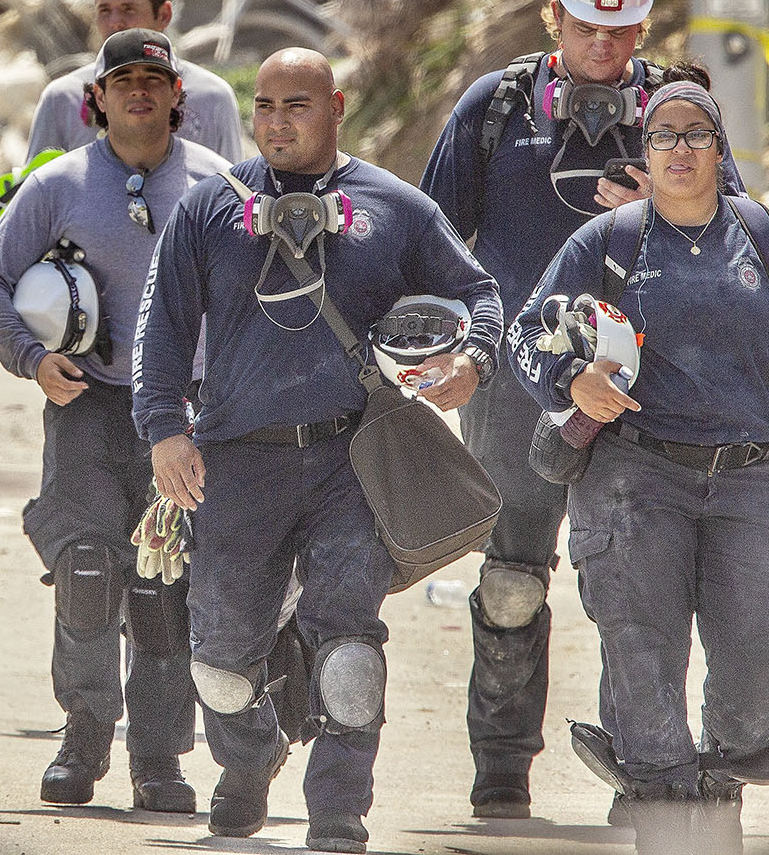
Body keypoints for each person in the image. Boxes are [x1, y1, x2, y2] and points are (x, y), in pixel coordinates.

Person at [133, 48, 503, 855]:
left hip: (351, 461)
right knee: (219, 661)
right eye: (264, 106)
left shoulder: (396, 208)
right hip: (235, 462)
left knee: (348, 644)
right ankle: (250, 757)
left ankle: (339, 809)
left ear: (335, 107)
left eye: (296, 105)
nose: (276, 122)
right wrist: (163, 428)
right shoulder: (207, 208)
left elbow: (479, 292)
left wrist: (473, 359)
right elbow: (160, 329)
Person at [419, 0, 743, 820]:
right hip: (518, 386)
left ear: (644, 26)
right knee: (512, 580)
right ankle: (501, 767)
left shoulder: (680, 117)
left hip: (647, 390)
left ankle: (641, 769)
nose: (603, 47)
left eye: (621, 31)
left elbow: (744, 247)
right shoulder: (494, 110)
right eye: (585, 28)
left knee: (636, 585)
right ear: (551, 15)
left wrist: (664, 207)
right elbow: (431, 242)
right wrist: (445, 348)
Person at [506, 73, 769, 854]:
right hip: (634, 479)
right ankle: (663, 802)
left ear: (718, 147)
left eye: (695, 134)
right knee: (643, 650)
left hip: (747, 479)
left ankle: (725, 768)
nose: (679, 149)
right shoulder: (606, 241)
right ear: (646, 148)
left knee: (761, 647)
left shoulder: (767, 238)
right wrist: (572, 380)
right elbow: (526, 333)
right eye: (663, 136)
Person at [0, 28, 229, 812]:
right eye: (124, 81)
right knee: (86, 572)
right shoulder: (57, 185)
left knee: (162, 587)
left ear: (178, 94)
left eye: (154, 79)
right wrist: (32, 359)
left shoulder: (218, 184)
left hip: (183, 414)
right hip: (87, 405)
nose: (139, 92)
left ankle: (158, 760)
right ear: (99, 97)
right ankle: (83, 737)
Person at [26, 0, 244, 162]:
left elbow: (231, 184)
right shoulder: (63, 98)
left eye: (128, 9)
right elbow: (36, 184)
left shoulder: (212, 98)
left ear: (164, 15)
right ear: (99, 96)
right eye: (104, 10)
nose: (114, 22)